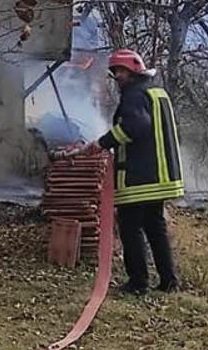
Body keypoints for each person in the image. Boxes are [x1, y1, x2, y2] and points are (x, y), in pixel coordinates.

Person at [65, 49, 184, 295]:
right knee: (154, 225)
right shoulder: (156, 92)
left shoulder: (133, 95)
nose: (116, 77)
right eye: (114, 72)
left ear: (132, 70)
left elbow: (135, 125)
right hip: (160, 175)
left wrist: (101, 143)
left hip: (140, 176)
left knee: (130, 227)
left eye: (119, 71)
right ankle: (168, 280)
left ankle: (138, 282)